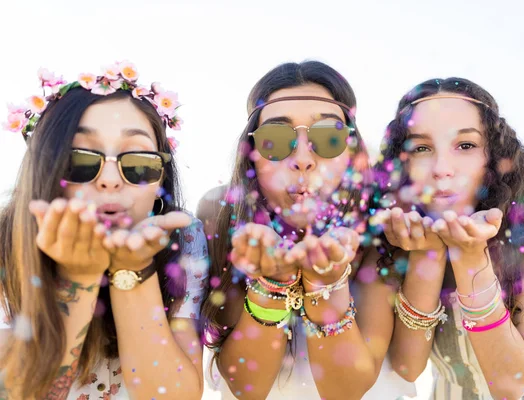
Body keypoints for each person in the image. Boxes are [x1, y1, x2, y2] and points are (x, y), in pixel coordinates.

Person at [197, 61, 416, 399]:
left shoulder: (380, 221)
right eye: (274, 139)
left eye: (328, 137)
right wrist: (272, 283)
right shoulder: (222, 212)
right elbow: (246, 385)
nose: (302, 158)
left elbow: (347, 389)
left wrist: (324, 285)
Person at [375, 77, 524, 399]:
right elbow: (408, 367)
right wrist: (430, 252)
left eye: (465, 145)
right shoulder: (405, 221)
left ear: (493, 152)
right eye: (422, 147)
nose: (442, 168)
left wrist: (469, 256)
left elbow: (510, 384)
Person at [0, 63, 208, 399]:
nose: (109, 179)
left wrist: (133, 269)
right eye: (80, 160)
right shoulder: (6, 242)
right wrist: (79, 276)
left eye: (138, 162)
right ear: (44, 171)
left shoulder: (182, 240)